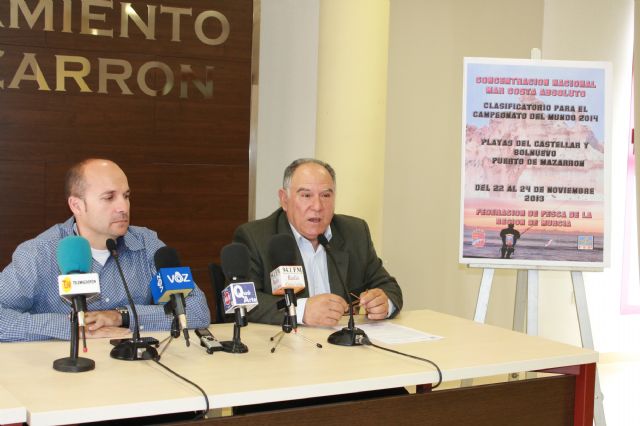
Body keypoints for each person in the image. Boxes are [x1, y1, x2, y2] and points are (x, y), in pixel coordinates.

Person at [0, 159, 211, 342]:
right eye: (109, 197)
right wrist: (74, 327)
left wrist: (122, 316)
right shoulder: (39, 253)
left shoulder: (147, 244)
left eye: (126, 196)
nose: (123, 207)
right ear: (76, 205)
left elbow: (197, 310)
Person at [233, 158, 402, 326]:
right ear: (284, 200)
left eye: (325, 195)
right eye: (306, 195)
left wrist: (384, 302)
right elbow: (241, 302)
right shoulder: (255, 237)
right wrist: (301, 310)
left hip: (341, 339)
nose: (317, 206)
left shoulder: (355, 233)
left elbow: (389, 287)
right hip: (287, 340)